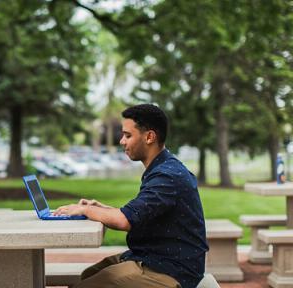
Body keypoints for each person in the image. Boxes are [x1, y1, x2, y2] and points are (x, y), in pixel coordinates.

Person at [54, 104, 208, 288]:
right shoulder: (163, 168)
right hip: (154, 258)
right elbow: (140, 213)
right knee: (88, 275)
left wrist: (85, 209)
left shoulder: (168, 175)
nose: (122, 141)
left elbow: (124, 221)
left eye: (128, 135)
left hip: (171, 270)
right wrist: (102, 210)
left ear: (149, 137)